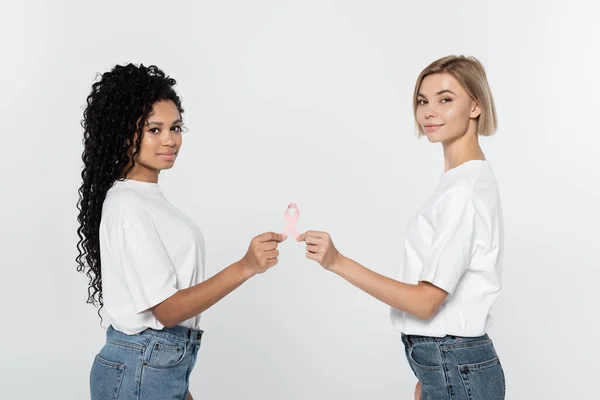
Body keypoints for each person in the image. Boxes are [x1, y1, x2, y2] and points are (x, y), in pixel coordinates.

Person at [298, 55, 506, 399]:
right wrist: (430, 368)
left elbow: (427, 302)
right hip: (448, 362)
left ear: (475, 106)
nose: (428, 111)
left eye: (445, 99)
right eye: (422, 101)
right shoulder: (461, 181)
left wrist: (337, 262)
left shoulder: (463, 192)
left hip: (454, 361)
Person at [75, 63, 286, 400]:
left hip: (156, 366)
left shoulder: (147, 199)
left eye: (175, 127)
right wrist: (246, 266)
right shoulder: (128, 205)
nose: (170, 140)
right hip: (142, 366)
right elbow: (167, 310)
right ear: (123, 133)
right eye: (154, 130)